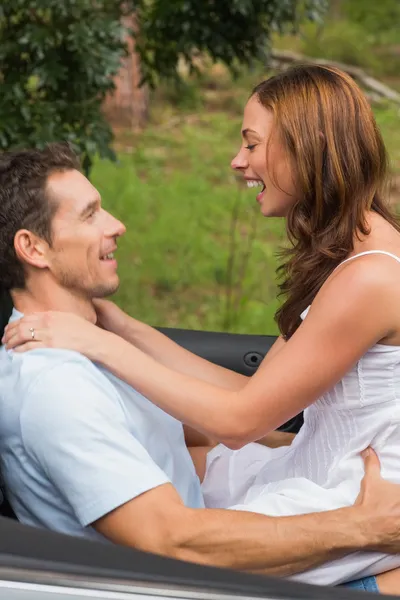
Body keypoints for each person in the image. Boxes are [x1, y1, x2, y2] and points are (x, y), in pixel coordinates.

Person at [1, 76, 400, 592]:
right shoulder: (51, 386)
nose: (237, 160)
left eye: (251, 143)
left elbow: (240, 419)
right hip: (327, 496)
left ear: (305, 148)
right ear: (33, 248)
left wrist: (103, 339)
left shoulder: (367, 274)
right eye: (91, 213)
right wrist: (118, 328)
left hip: (358, 484)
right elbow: (249, 406)